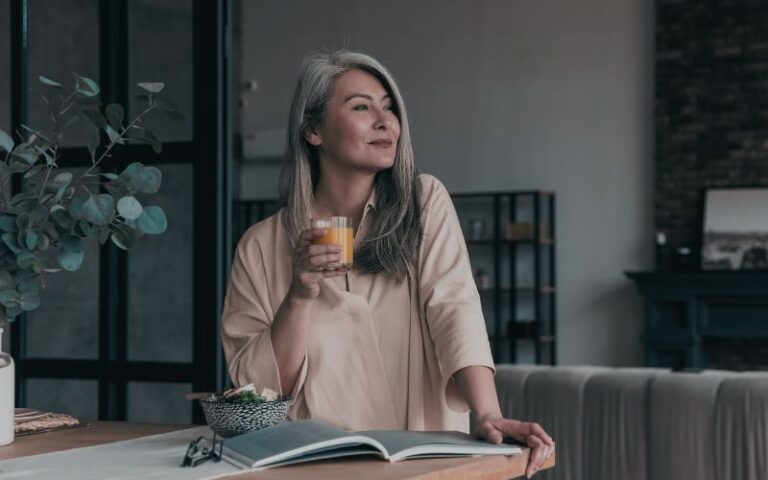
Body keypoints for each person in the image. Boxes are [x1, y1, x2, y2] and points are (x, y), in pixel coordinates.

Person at [221, 50, 554, 477]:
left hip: (422, 461)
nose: (386, 121)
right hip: (316, 467)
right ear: (313, 130)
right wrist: (300, 294)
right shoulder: (259, 245)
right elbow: (260, 397)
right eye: (362, 106)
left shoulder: (424, 202)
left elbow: (455, 310)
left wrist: (487, 414)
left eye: (390, 106)